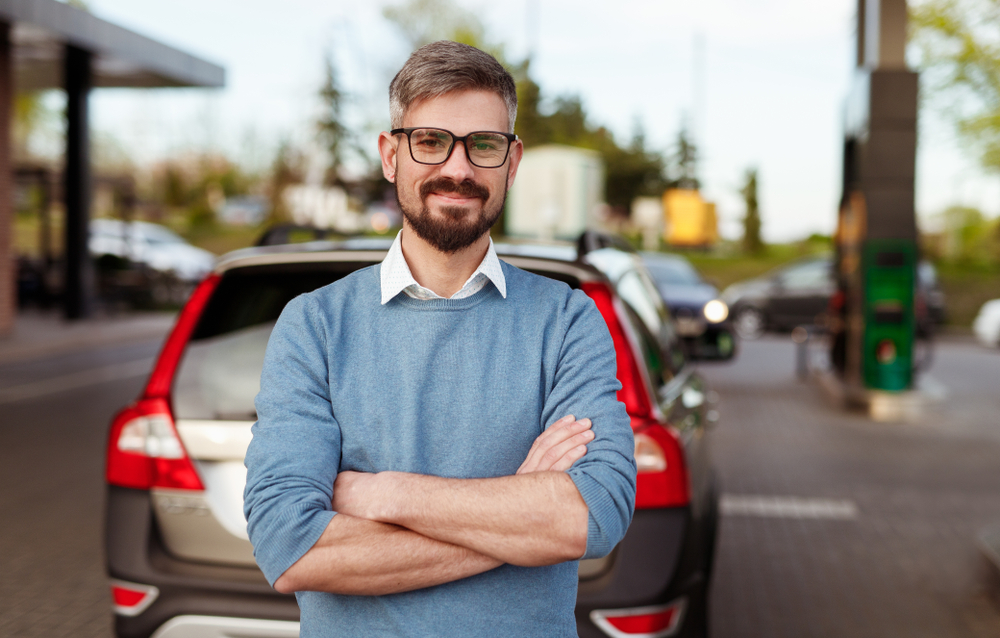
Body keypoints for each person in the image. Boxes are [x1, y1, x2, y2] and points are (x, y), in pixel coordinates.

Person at [243, 40, 636, 638]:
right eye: (430, 141)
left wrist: (388, 494)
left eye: (484, 145)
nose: (458, 169)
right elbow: (292, 549)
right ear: (390, 154)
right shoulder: (314, 326)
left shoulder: (568, 321)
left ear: (512, 160)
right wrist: (519, 509)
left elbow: (589, 517)